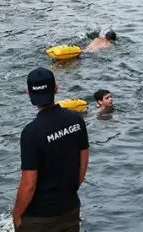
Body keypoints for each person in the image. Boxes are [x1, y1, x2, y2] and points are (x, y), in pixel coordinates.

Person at [13, 68, 89, 232]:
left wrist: (17, 213)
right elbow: (83, 165)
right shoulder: (77, 120)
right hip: (70, 208)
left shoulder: (31, 132)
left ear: (28, 93)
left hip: (39, 217)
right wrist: (69, 192)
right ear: (56, 88)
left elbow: (29, 184)